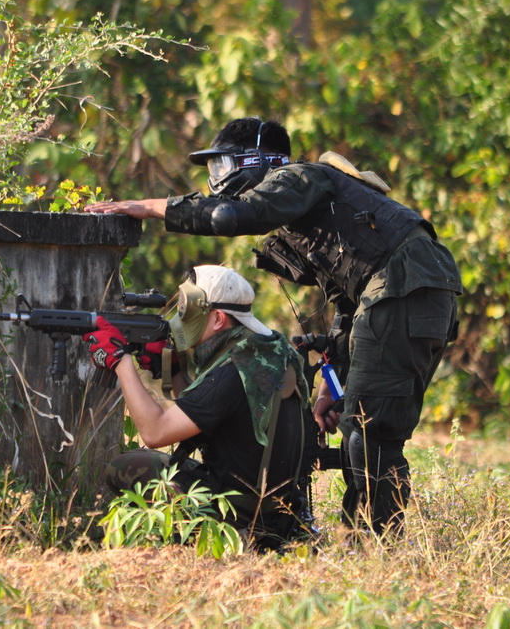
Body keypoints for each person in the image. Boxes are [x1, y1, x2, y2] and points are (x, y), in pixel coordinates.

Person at [84, 117, 463, 536]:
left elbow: (229, 216)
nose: (217, 177)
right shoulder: (316, 210)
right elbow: (347, 301)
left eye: (223, 164)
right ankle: (365, 540)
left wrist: (150, 207)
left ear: (257, 159)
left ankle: (376, 545)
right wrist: (332, 385)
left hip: (405, 290)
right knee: (359, 421)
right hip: (408, 292)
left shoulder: (298, 176)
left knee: (370, 429)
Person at [82, 264, 312, 551]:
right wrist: (172, 369)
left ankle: (187, 540)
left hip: (237, 518)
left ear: (218, 319)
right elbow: (207, 411)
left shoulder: (232, 372)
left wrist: (121, 361)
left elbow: (154, 432)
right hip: (275, 513)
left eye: (187, 309)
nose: (179, 318)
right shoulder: (265, 355)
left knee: (126, 465)